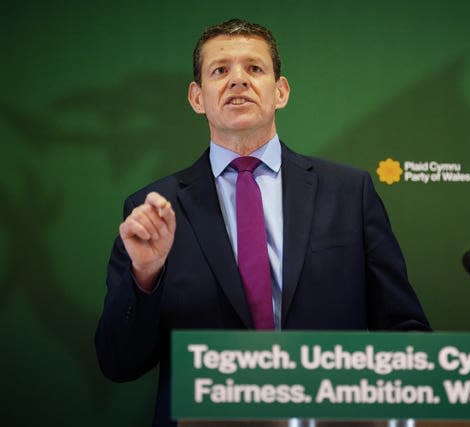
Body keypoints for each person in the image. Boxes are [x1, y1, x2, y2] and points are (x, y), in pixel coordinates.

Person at [95, 18, 431, 427]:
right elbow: (118, 362)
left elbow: (404, 331)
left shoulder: (349, 193)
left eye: (254, 68)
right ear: (197, 97)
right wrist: (145, 276)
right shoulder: (154, 210)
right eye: (220, 70)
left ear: (281, 91)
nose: (238, 80)